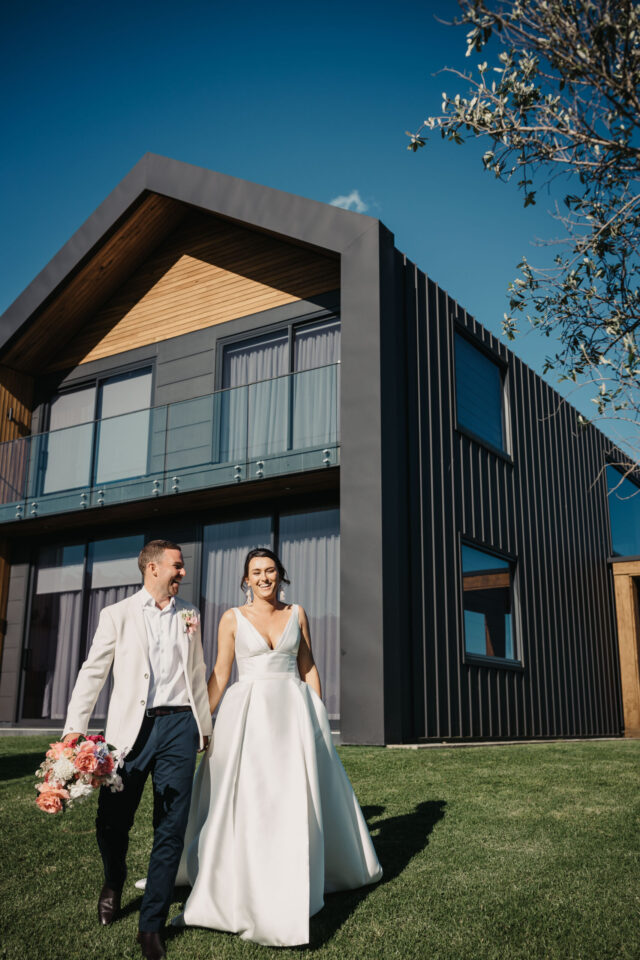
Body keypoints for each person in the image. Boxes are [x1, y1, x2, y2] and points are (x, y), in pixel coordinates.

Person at [169, 546, 382, 947]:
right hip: (247, 717)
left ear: (280, 575)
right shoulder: (231, 618)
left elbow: (307, 665)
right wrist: (201, 721)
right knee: (250, 797)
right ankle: (242, 878)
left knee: (293, 795)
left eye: (270, 571)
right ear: (245, 579)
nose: (264, 578)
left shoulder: (297, 613)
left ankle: (300, 869)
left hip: (292, 716)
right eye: (256, 572)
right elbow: (221, 673)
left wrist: (317, 713)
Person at [62, 539, 213, 960]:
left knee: (171, 825)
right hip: (130, 732)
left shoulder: (190, 614)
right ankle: (114, 878)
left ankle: (151, 925)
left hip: (180, 726)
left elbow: (196, 671)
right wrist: (74, 730)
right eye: (177, 566)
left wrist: (203, 726)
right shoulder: (117, 615)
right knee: (113, 821)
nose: (183, 572)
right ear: (153, 568)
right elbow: (93, 672)